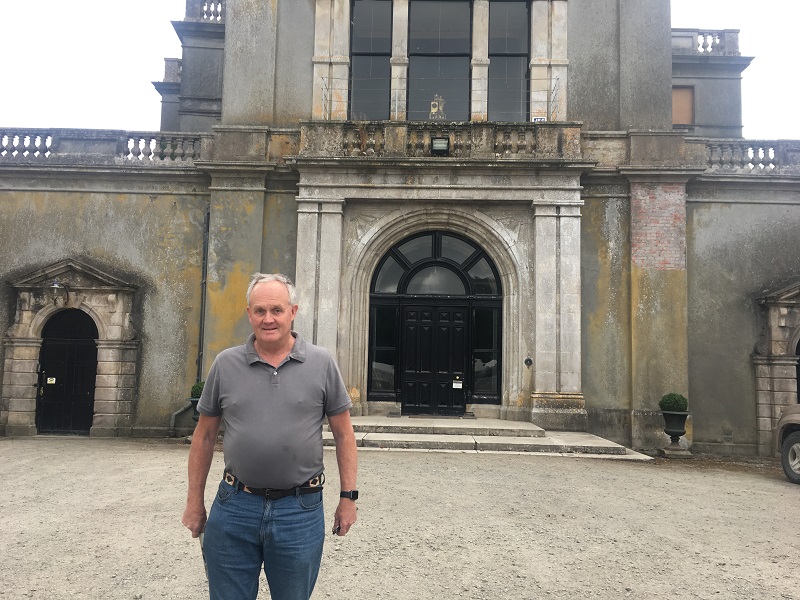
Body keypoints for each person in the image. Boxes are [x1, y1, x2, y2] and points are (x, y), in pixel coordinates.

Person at [182, 273, 358, 600]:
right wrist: (194, 501)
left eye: (276, 310)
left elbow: (344, 434)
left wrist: (348, 498)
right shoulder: (225, 364)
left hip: (299, 510)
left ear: (293, 312)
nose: (268, 319)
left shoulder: (321, 363)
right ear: (249, 313)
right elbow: (204, 436)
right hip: (235, 506)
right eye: (260, 310)